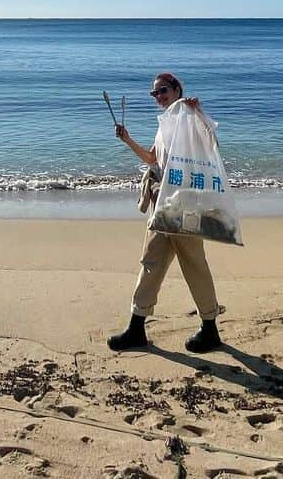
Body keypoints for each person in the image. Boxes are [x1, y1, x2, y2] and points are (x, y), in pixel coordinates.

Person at [108, 71, 223, 353]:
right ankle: (136, 329)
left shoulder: (189, 117)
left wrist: (198, 112)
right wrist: (128, 139)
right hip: (162, 203)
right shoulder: (165, 125)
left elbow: (211, 143)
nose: (158, 97)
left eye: (163, 91)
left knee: (194, 264)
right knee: (151, 263)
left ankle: (210, 329)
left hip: (184, 205)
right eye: (155, 93)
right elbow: (152, 159)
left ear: (176, 90)